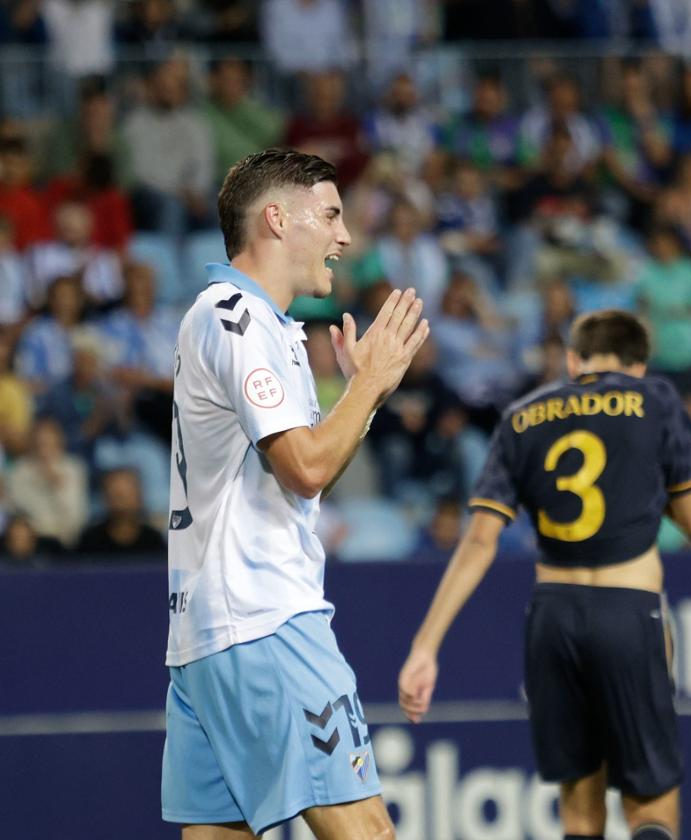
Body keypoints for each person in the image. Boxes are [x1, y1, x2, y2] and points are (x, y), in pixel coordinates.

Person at [162, 148, 430, 839]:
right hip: (265, 620)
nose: (345, 237)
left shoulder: (251, 324)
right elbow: (305, 470)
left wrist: (358, 403)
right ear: (277, 219)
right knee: (366, 831)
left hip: (207, 637)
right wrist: (368, 384)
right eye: (333, 215)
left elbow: (303, 469)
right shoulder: (238, 318)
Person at [398, 310, 691, 840]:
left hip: (553, 617)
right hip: (629, 608)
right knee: (650, 806)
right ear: (638, 364)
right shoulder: (655, 399)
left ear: (573, 360)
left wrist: (425, 646)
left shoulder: (522, 416)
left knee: (579, 809)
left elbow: (479, 540)